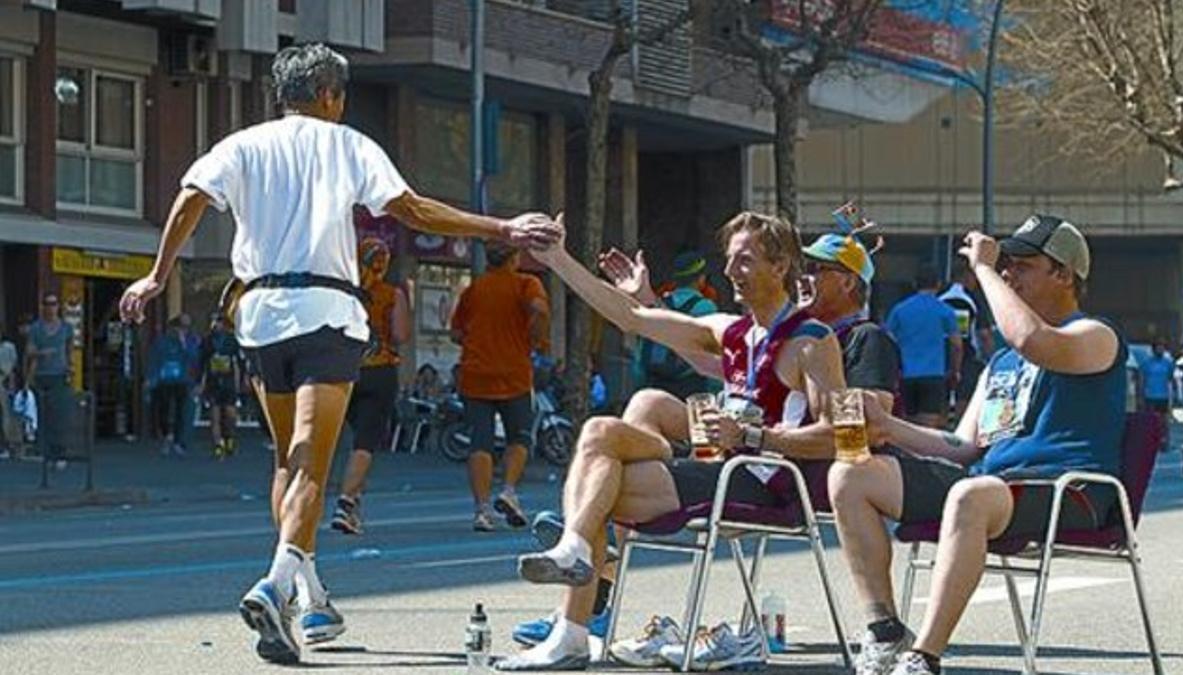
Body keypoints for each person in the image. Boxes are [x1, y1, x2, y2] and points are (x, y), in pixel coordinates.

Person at [117, 43, 560, 666]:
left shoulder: (243, 144)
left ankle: (311, 592)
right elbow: (412, 210)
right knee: (312, 468)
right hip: (327, 316)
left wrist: (159, 277)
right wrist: (502, 229)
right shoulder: (348, 144)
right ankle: (275, 583)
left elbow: (191, 196)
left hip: (260, 318)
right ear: (331, 95)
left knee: (287, 460)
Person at [508, 228, 903, 668]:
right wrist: (559, 259)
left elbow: (842, 437)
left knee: (596, 481)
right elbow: (631, 318)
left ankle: (574, 602)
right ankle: (576, 570)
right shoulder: (732, 330)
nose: (731, 271)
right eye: (730, 259)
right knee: (618, 423)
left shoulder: (815, 340)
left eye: (746, 260)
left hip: (759, 478)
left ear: (779, 267)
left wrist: (752, 436)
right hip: (720, 463)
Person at [832, 215, 1126, 675]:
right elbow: (961, 446)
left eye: (1023, 265)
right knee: (851, 475)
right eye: (1005, 265)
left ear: (1065, 275)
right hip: (990, 486)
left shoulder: (1095, 336)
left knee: (971, 494)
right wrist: (887, 426)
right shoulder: (1004, 362)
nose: (1009, 273)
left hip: (1069, 489)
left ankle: (923, 658)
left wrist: (984, 269)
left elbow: (1032, 338)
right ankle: (885, 632)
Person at [451, 240, 550, 532]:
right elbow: (540, 310)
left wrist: (478, 339)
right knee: (519, 438)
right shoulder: (526, 283)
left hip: (476, 374)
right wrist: (533, 335)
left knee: (480, 441)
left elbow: (456, 332)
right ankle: (508, 490)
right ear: (514, 258)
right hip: (514, 374)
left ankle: (482, 511)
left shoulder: (474, 289)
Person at [331, 237, 412, 535]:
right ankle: (347, 501)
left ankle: (353, 503)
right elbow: (401, 334)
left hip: (343, 369)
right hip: (380, 372)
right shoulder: (392, 294)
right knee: (365, 442)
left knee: (344, 437)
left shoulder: (344, 294)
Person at [633, 250, 719, 399]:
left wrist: (640, 386)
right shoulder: (706, 307)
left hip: (654, 384)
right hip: (691, 387)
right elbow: (712, 353)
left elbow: (642, 348)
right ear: (701, 279)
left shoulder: (657, 306)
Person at [886, 264, 962, 428]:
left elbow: (887, 341)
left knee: (907, 424)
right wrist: (955, 371)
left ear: (915, 284)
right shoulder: (945, 310)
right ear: (938, 284)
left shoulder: (899, 309)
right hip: (934, 374)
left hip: (905, 375)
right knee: (928, 427)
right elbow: (956, 345)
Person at [938, 261, 994, 417]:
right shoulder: (972, 298)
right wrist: (990, 359)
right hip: (968, 356)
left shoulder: (940, 295)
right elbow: (984, 334)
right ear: (967, 276)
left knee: (940, 403)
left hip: (940, 357)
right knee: (965, 400)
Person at [25, 293, 74, 471]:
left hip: (60, 375)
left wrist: (70, 366)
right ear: (42, 307)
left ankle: (60, 453)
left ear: (58, 307)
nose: (50, 307)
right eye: (47, 304)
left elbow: (69, 349)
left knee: (59, 416)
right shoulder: (36, 329)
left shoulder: (66, 328)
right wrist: (41, 353)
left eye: (53, 304)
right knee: (43, 416)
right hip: (41, 375)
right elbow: (29, 351)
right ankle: (46, 454)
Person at [149, 316, 198, 457]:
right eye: (181, 327)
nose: (183, 331)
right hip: (164, 380)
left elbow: (193, 359)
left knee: (180, 411)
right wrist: (152, 378)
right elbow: (155, 359)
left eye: (186, 328)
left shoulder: (189, 341)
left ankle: (178, 441)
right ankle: (166, 435)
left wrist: (184, 344)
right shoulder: (162, 341)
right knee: (163, 409)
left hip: (182, 380)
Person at [200, 313, 242, 458]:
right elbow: (202, 364)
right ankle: (218, 444)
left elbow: (237, 363)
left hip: (228, 381)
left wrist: (239, 384)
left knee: (230, 414)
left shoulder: (232, 341)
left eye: (218, 321)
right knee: (215, 415)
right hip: (213, 381)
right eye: (213, 321)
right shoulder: (207, 341)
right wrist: (201, 384)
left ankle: (229, 439)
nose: (215, 324)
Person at [1137, 338, 1174, 453]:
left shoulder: (1168, 363)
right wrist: (1140, 397)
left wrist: (1172, 397)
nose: (1160, 349)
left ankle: (1165, 443)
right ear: (1153, 349)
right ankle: (1150, 443)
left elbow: (1170, 379)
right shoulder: (1146, 363)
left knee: (1164, 421)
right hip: (1150, 396)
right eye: (1158, 347)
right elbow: (1141, 380)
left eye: (1162, 347)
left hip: (1163, 396)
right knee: (1151, 421)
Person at [0, 332, 21, 459]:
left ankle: (11, 444)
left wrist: (12, 382)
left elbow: (14, 366)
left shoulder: (9, 347)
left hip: (5, 381)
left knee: (8, 414)